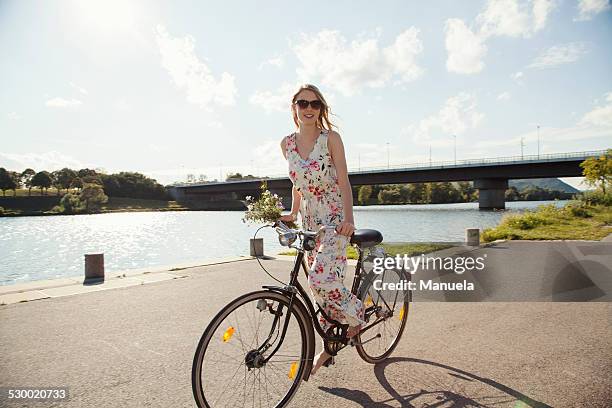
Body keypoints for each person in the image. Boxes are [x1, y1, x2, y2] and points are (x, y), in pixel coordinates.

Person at [279, 84, 366, 376]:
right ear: (294, 107)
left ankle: (357, 314)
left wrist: (349, 219)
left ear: (321, 109)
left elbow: (343, 181)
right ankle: (329, 350)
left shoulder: (331, 139)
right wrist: (292, 212)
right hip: (309, 221)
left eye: (314, 104)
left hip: (334, 217)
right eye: (303, 103)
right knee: (319, 293)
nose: (308, 109)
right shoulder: (287, 144)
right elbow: (298, 182)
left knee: (320, 278)